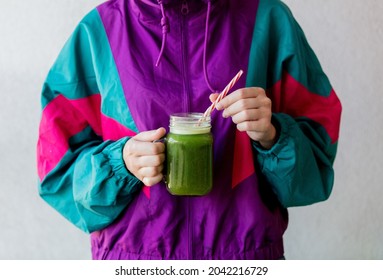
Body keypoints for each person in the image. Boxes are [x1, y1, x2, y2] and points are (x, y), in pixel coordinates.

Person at [37, 0, 342, 260]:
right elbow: (57, 175)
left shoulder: (268, 20)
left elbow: (316, 165)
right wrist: (121, 163)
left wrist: (273, 135)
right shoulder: (99, 31)